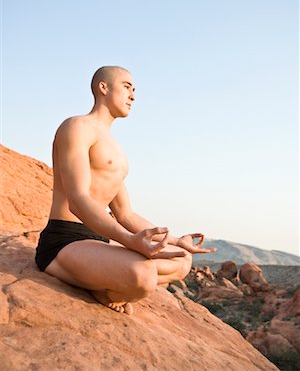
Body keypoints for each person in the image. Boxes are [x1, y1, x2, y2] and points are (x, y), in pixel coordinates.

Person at [35, 66, 216, 315]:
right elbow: (78, 199)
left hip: (99, 240)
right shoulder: (77, 127)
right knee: (143, 274)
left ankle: (103, 281)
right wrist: (130, 241)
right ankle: (106, 285)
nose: (133, 96)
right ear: (103, 87)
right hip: (66, 240)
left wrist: (175, 240)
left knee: (182, 260)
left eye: (134, 90)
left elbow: (125, 214)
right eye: (127, 87)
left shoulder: (114, 148)